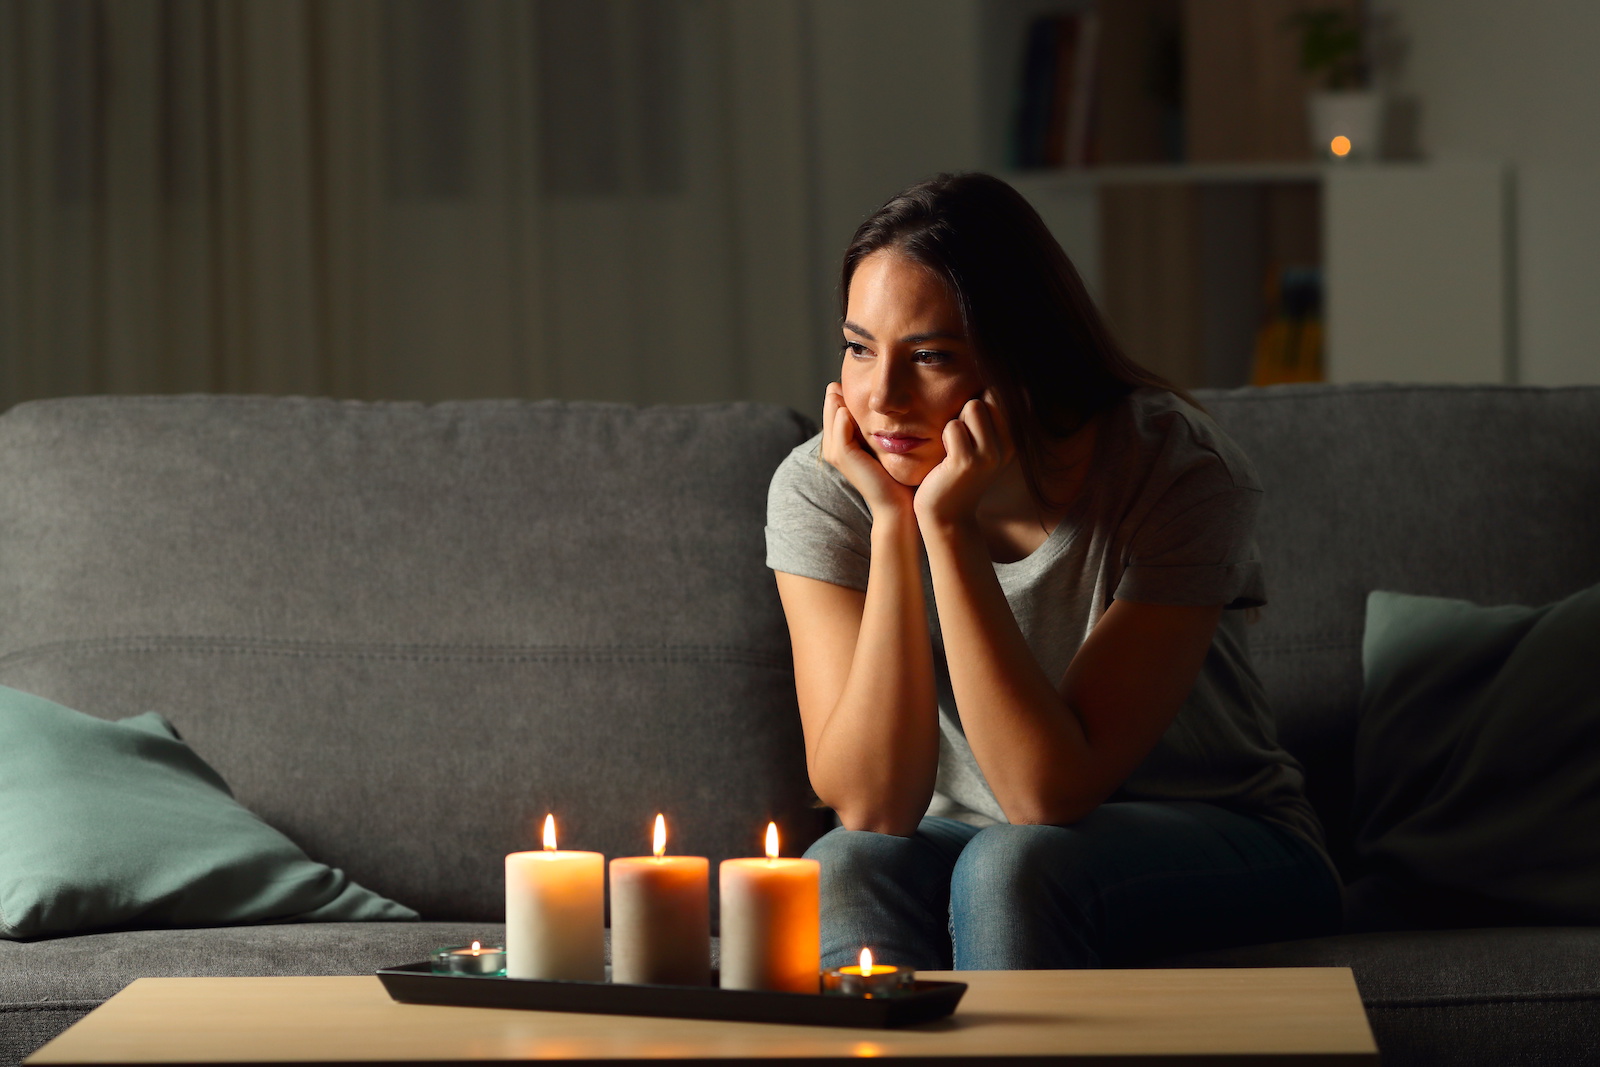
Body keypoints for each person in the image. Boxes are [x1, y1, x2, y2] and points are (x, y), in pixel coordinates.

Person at [764, 173, 1340, 971]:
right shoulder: (825, 488)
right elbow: (872, 804)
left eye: (930, 356)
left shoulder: (1173, 469)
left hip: (1215, 828)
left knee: (1015, 864)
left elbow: (1045, 795)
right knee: (838, 866)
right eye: (859, 348)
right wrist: (896, 524)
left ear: (1021, 357)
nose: (882, 396)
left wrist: (948, 523)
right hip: (959, 834)